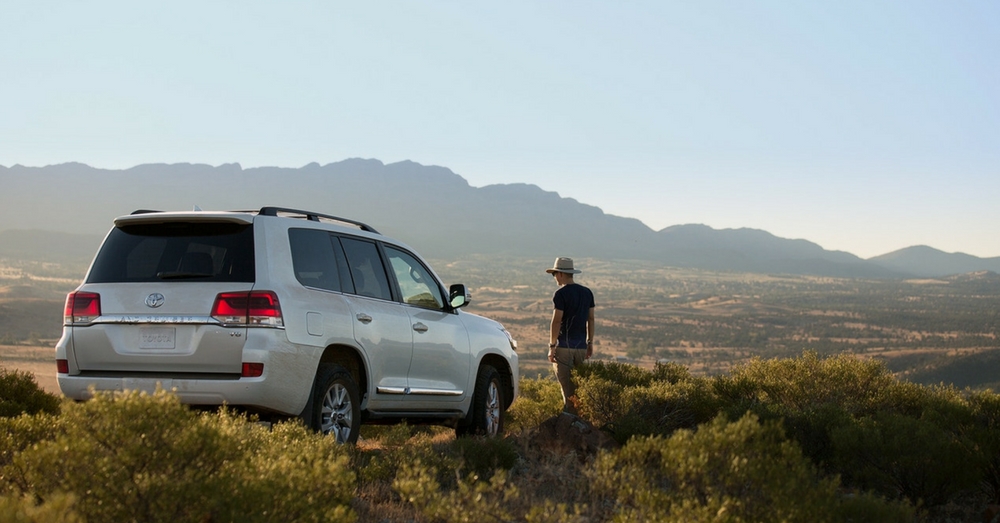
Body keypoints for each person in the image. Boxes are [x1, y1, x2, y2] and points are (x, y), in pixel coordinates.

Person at [546, 257, 595, 414]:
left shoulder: (560, 294)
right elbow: (591, 319)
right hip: (581, 347)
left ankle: (569, 423)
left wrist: (552, 346)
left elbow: (556, 322)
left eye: (554, 274)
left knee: (567, 389)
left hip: (564, 347)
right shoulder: (587, 293)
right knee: (579, 388)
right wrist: (590, 342)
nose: (555, 278)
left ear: (560, 274)